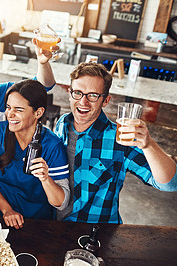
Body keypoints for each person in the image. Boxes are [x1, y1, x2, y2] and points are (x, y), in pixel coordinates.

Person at [54, 62, 177, 224]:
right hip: (55, 224)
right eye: (77, 93)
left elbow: (169, 184)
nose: (83, 102)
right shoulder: (63, 123)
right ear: (70, 94)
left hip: (95, 230)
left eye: (93, 95)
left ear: (105, 100)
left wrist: (148, 145)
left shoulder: (120, 138)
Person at [0, 80, 70, 229]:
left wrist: (46, 179)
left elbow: (61, 203)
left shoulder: (53, 145)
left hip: (36, 223)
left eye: (19, 109)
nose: (10, 114)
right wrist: (7, 210)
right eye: (8, 107)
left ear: (38, 112)